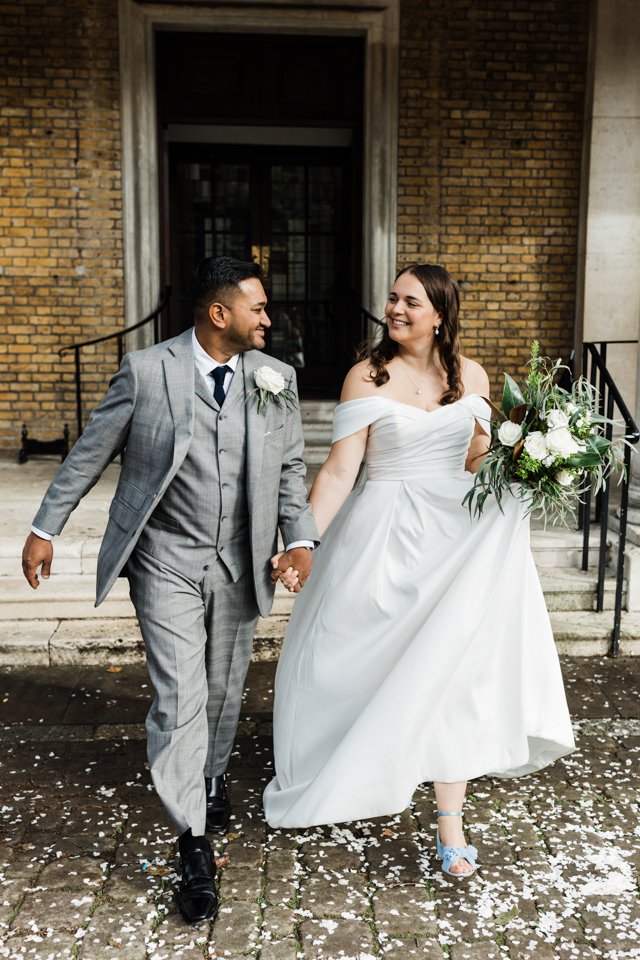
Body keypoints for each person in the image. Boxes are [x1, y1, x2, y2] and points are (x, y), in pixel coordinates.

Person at [21, 257, 319, 922]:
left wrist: (299, 539)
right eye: (258, 308)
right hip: (165, 559)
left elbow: (291, 467)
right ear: (220, 315)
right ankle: (192, 841)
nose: (268, 318)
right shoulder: (146, 371)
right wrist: (45, 527)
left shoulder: (277, 379)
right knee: (180, 694)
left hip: (240, 558)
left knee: (221, 688)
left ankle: (209, 778)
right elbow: (90, 453)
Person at [263, 263, 575, 878]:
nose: (396, 309)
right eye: (392, 298)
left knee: (451, 673)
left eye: (410, 301)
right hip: (383, 537)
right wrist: (302, 541)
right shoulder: (366, 375)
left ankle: (449, 822)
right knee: (360, 662)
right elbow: (337, 472)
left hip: (457, 540)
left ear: (439, 314)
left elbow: (478, 464)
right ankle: (362, 762)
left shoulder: (472, 375)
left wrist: (534, 463)